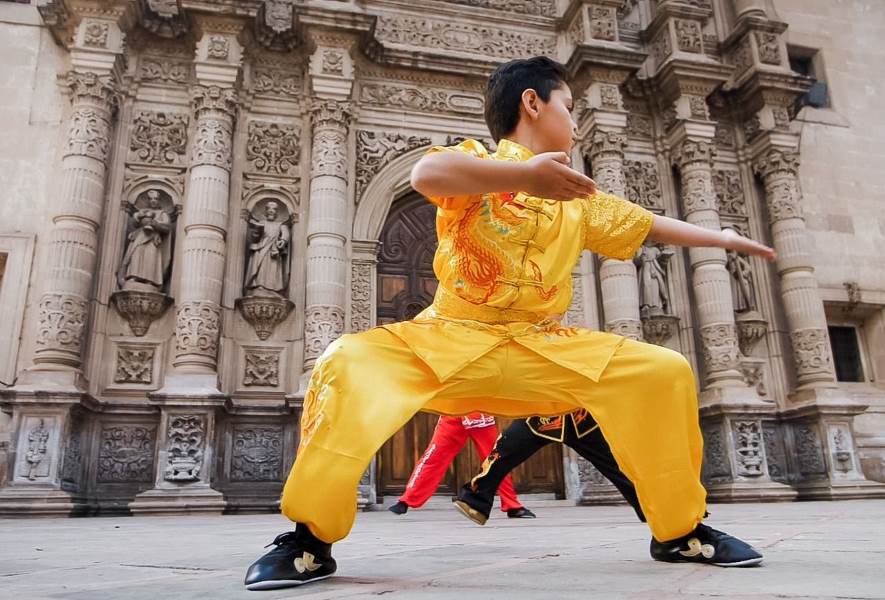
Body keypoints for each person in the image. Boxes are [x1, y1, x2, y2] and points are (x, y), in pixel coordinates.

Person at [244, 56, 772, 591]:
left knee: (663, 371)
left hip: (540, 346)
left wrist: (723, 239)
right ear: (532, 102)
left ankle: (679, 532)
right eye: (569, 106)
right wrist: (526, 174)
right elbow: (425, 174)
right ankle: (310, 540)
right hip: (448, 337)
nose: (575, 119)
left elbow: (647, 224)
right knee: (347, 361)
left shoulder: (577, 200)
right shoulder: (477, 162)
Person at [453, 409, 644, 526]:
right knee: (506, 447)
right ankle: (476, 497)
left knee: (620, 468)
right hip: (541, 414)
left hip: (579, 416)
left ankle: (663, 527)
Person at [388, 413, 535, 519]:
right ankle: (406, 500)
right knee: (433, 456)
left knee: (495, 460)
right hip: (452, 412)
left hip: (478, 412)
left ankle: (512, 506)